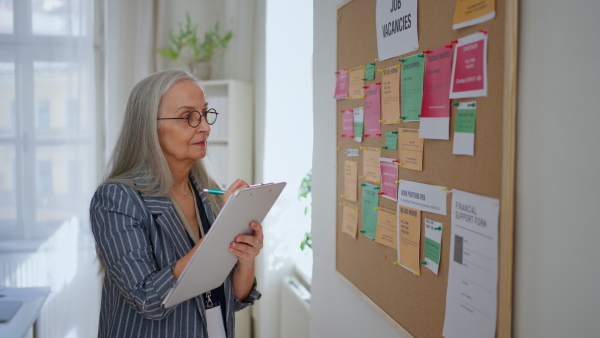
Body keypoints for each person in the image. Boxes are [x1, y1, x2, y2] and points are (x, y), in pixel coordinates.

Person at [89, 69, 262, 338]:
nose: (205, 126)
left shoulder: (210, 195)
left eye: (204, 113)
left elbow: (235, 297)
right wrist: (220, 235)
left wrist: (246, 259)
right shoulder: (116, 199)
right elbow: (146, 298)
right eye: (188, 117)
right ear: (149, 128)